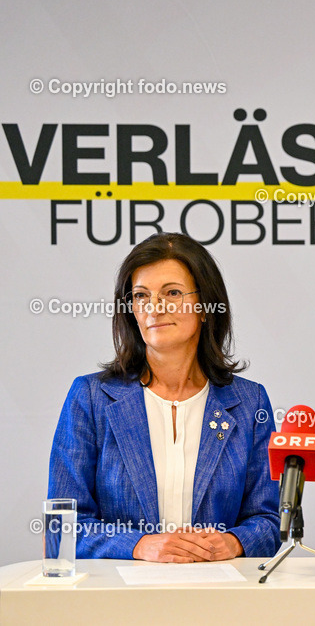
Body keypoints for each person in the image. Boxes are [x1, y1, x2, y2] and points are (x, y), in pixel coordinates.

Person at [48, 233, 280, 561]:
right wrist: (141, 545)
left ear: (205, 307)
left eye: (172, 292)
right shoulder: (90, 399)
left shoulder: (250, 402)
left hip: (220, 599)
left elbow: (269, 522)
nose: (155, 307)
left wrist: (232, 542)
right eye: (141, 296)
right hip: (117, 603)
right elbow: (61, 530)